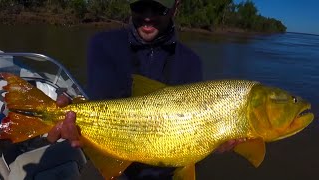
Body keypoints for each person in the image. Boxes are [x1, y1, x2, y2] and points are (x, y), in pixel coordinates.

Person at [47, 0, 242, 179]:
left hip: (169, 170)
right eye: (140, 7)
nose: (148, 16)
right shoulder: (102, 45)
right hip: (115, 163)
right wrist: (73, 123)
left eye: (158, 8)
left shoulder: (191, 62)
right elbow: (101, 108)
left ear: (176, 6)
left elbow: (195, 130)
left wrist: (214, 139)